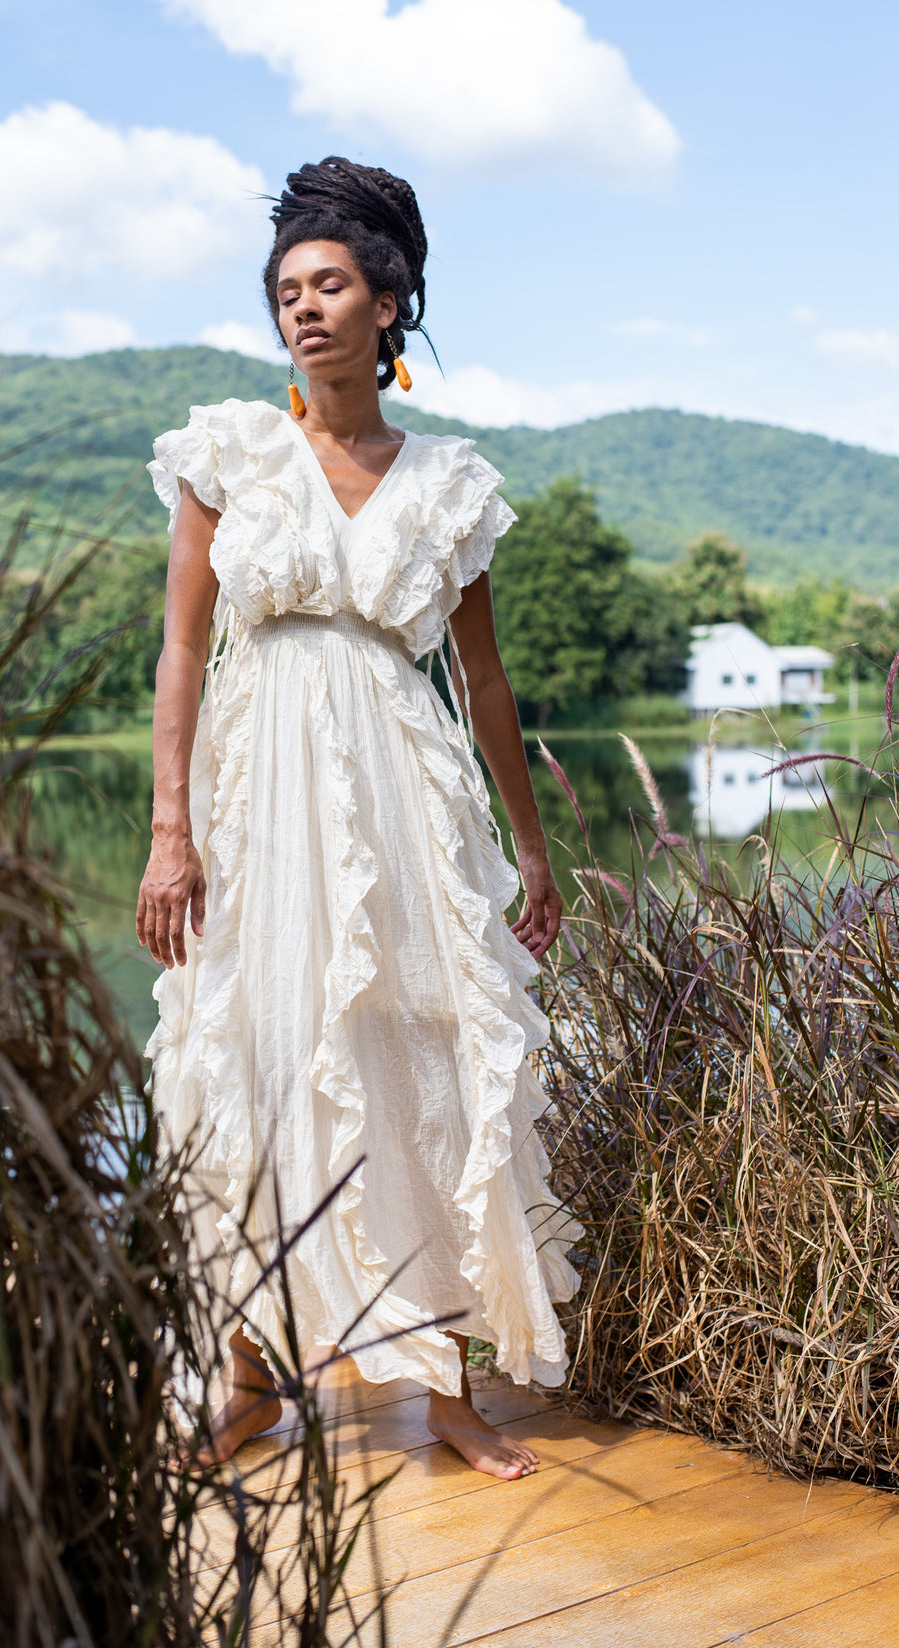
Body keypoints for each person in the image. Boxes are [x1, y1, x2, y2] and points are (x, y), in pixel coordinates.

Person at [137, 157, 581, 1482]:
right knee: (253, 1051)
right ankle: (249, 1374)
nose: (304, 310)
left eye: (330, 285)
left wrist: (533, 845)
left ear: (388, 303)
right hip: (256, 787)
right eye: (286, 291)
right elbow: (180, 649)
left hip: (406, 789)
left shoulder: (449, 481)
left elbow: (483, 679)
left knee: (421, 1055)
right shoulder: (227, 449)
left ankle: (438, 1379)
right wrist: (170, 828)